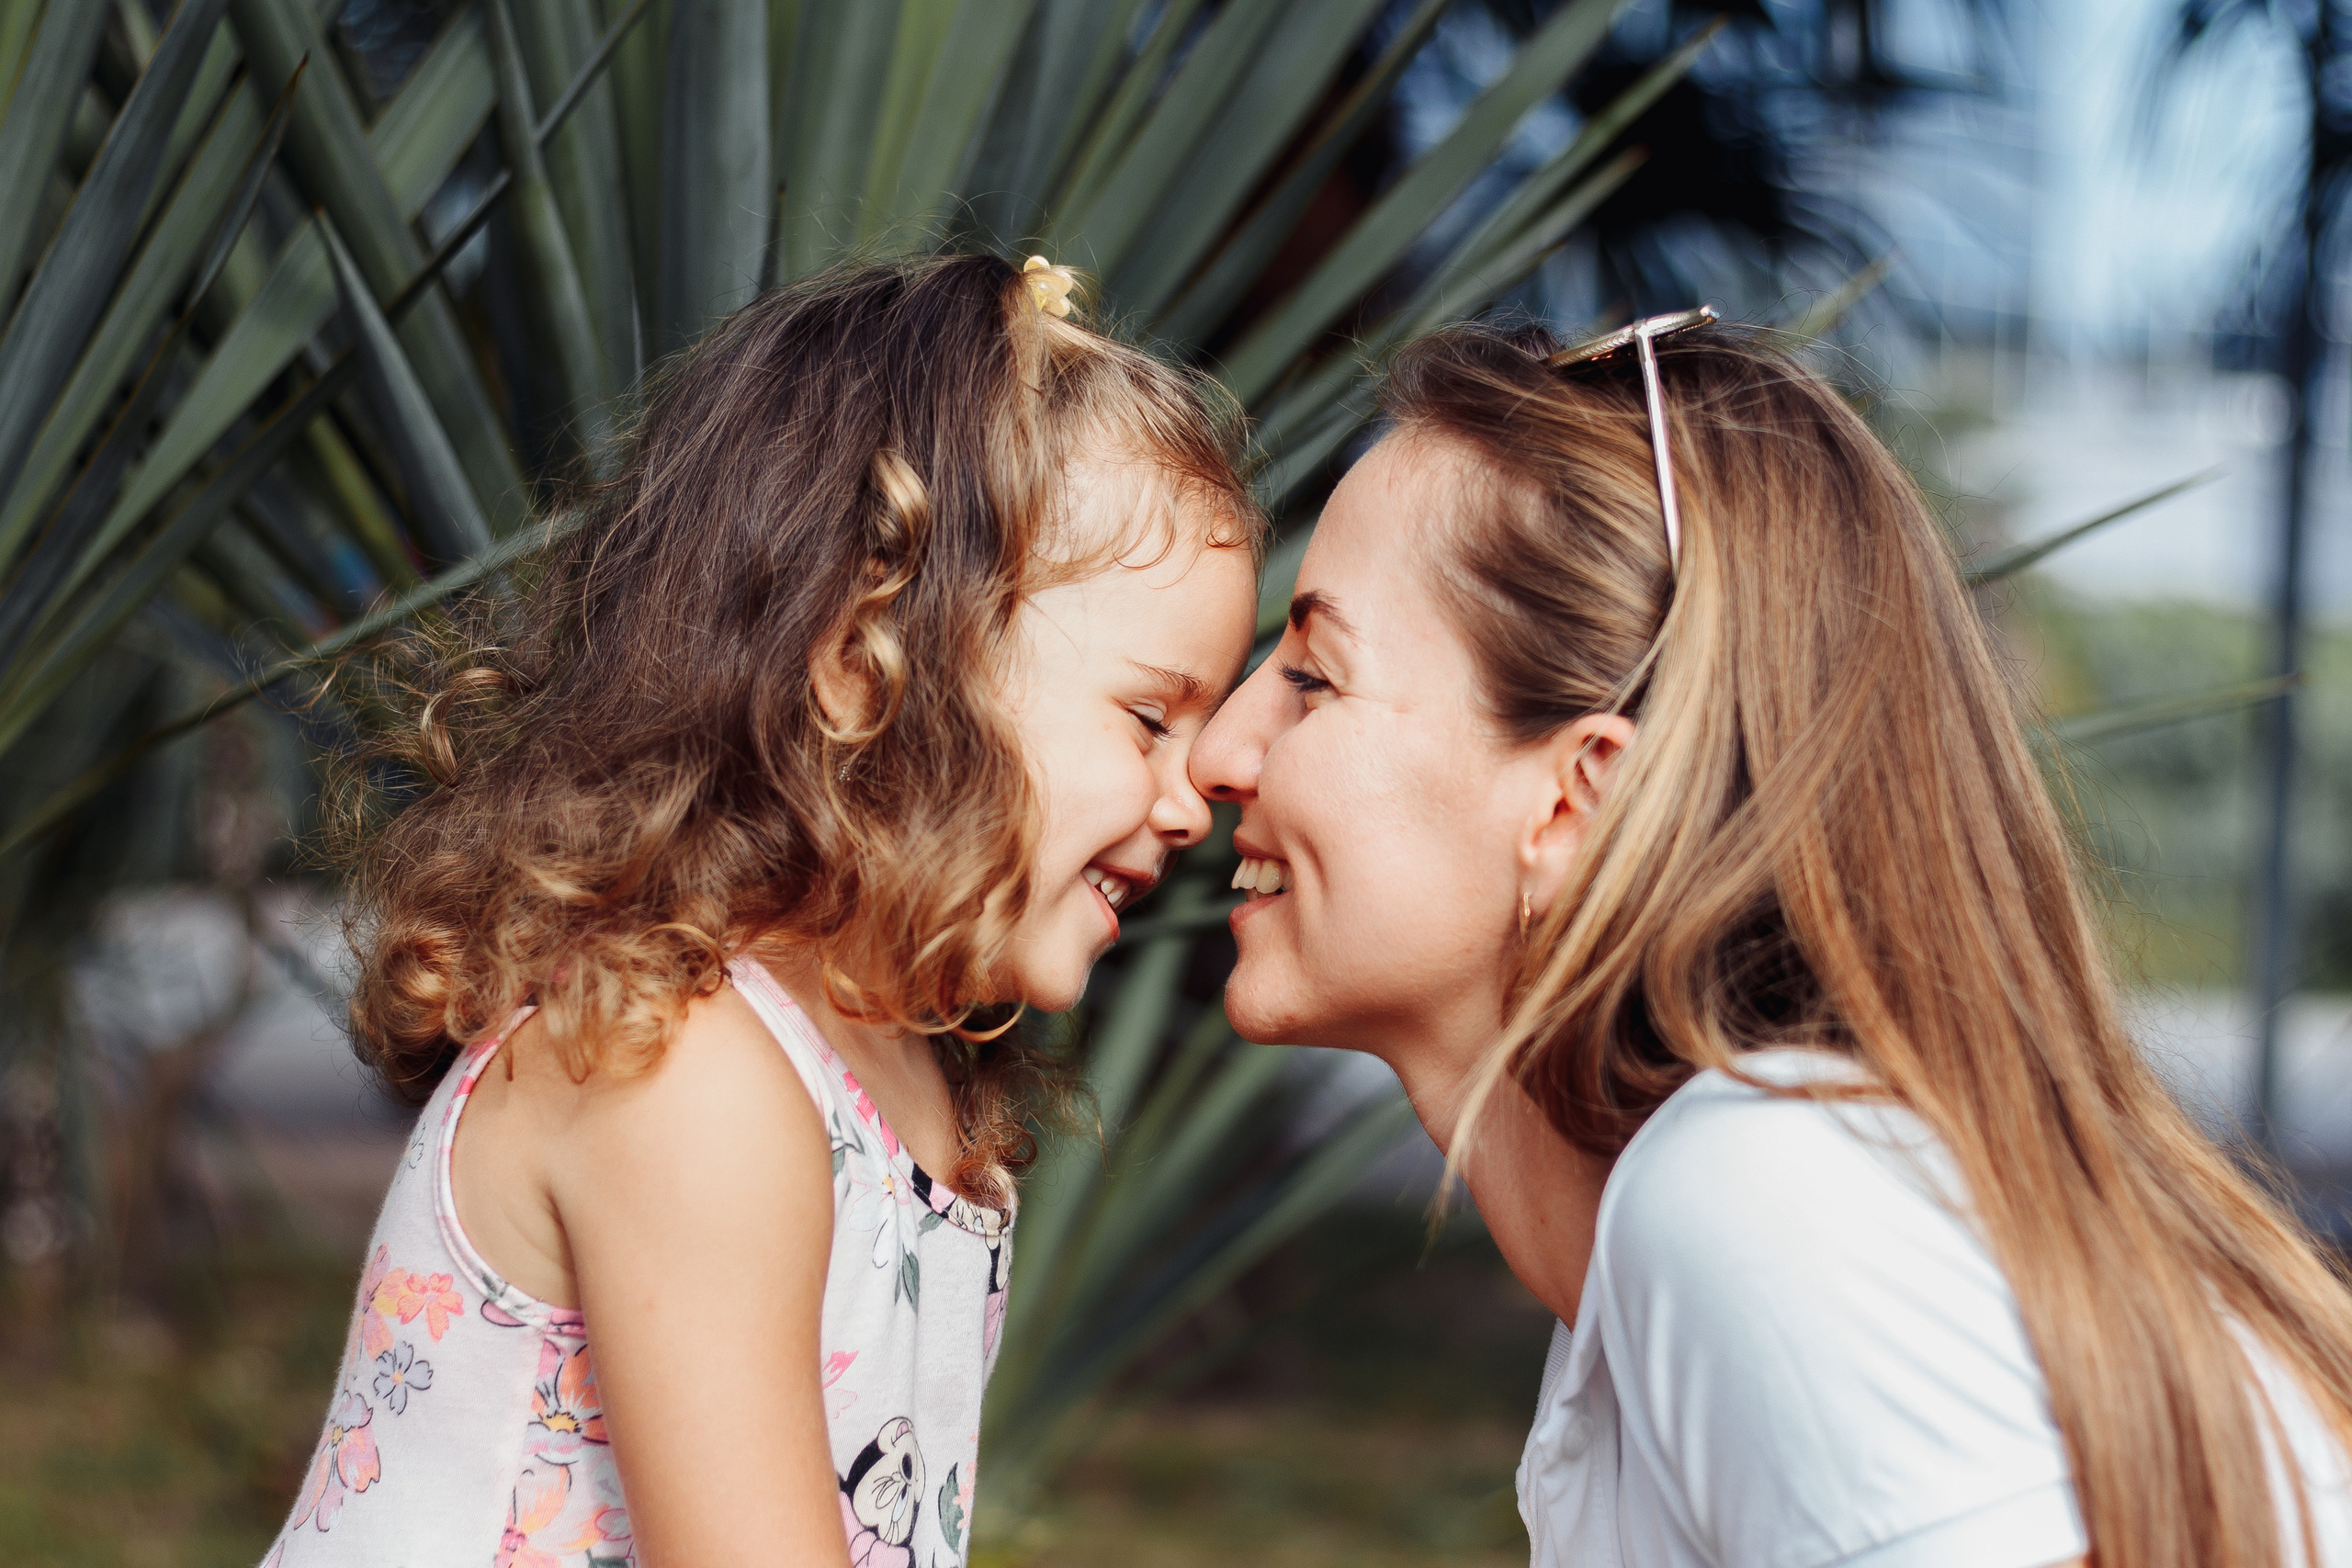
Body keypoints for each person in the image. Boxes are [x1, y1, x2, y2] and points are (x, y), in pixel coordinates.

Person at [1192, 315, 2352, 1568]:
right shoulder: (1767, 1197)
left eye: (1313, 675)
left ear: (1576, 799)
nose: (1217, 753)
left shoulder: (1763, 1199)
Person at [262, 254, 1260, 1568]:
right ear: (862, 670)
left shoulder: (907, 1076)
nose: (1194, 802)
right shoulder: (679, 1069)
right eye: (1148, 717)